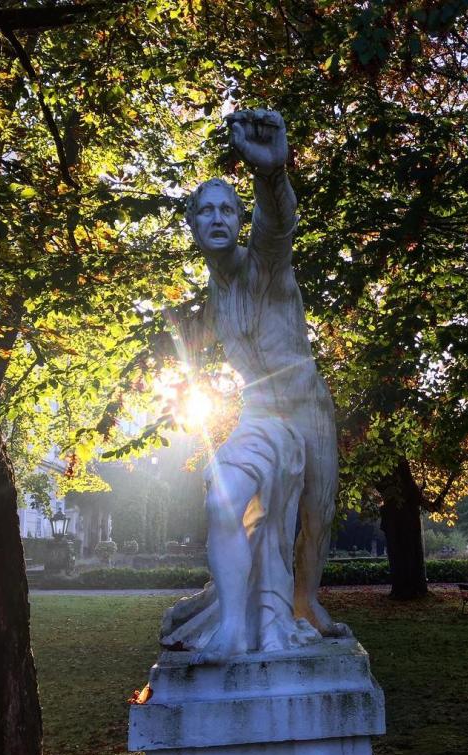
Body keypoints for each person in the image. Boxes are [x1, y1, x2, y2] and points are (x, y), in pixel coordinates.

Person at [160, 109, 348, 661]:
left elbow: (277, 228)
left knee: (315, 520)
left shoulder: (263, 266)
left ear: (239, 220)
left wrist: (270, 175)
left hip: (308, 407)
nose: (217, 218)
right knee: (233, 506)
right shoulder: (215, 297)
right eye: (206, 211)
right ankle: (231, 613)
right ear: (193, 225)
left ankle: (302, 606)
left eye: (227, 209)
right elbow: (190, 347)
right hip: (261, 414)